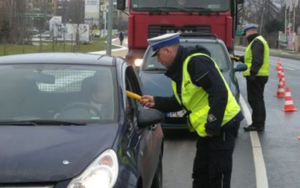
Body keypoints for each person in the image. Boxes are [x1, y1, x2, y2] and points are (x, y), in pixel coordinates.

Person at [140, 33, 244, 188]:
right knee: (201, 175)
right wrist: (156, 101)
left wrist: (212, 125)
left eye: (158, 54)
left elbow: (219, 93)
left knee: (217, 176)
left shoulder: (195, 63)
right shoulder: (180, 70)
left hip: (222, 125)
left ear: (168, 50)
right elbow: (182, 101)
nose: (158, 60)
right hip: (208, 130)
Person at [233, 24, 269, 132]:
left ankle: (257, 125)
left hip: (256, 76)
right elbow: (250, 58)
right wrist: (238, 58)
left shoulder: (256, 42)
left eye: (246, 34)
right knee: (258, 100)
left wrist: (252, 73)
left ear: (250, 32)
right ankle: (259, 123)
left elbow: (257, 60)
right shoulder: (257, 41)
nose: (245, 36)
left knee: (255, 100)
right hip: (259, 76)